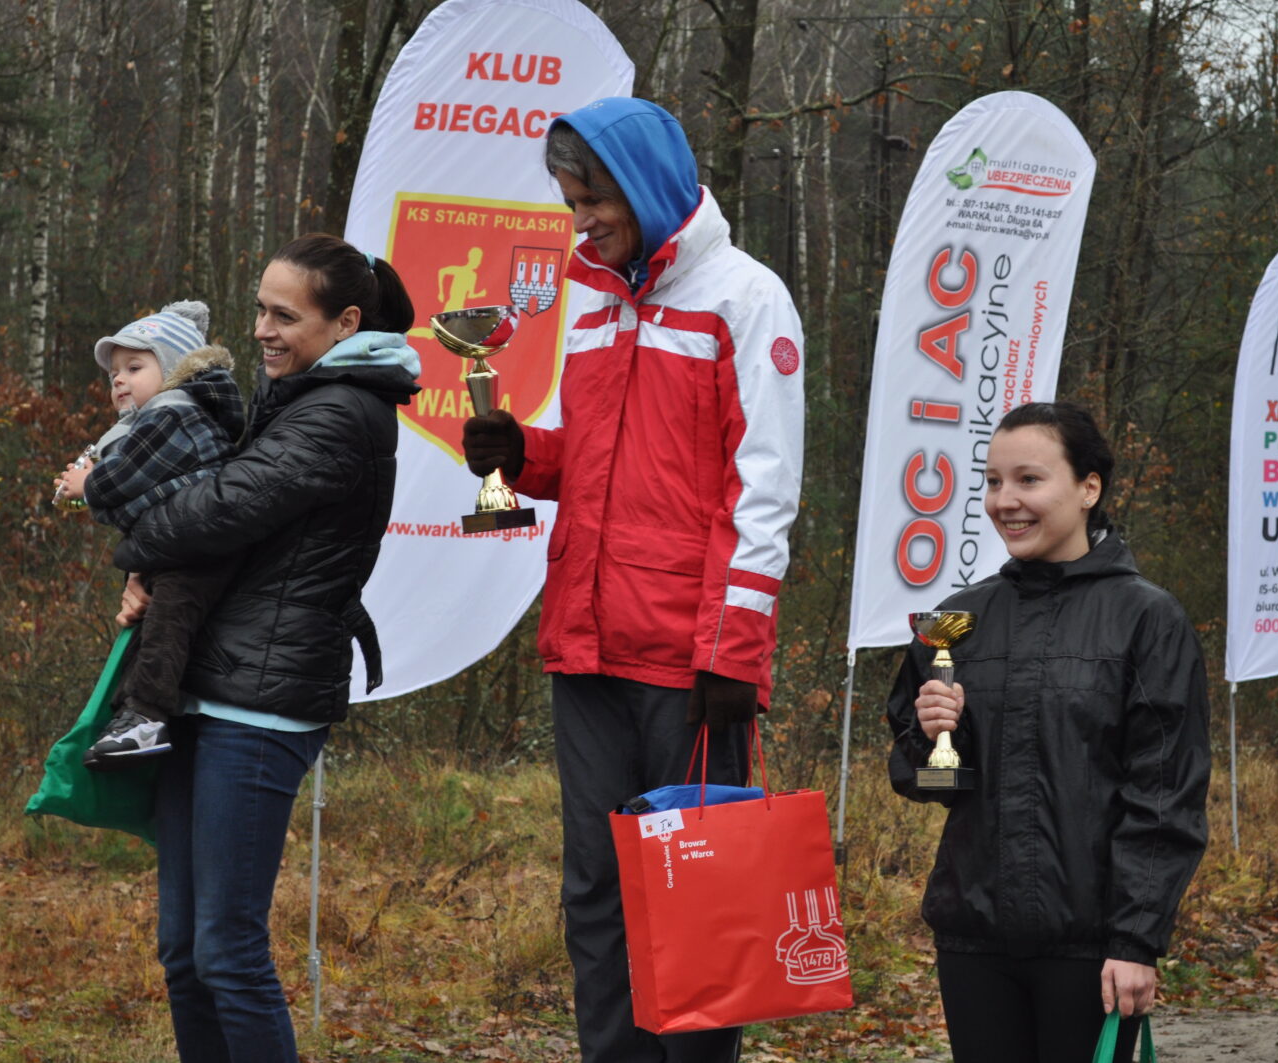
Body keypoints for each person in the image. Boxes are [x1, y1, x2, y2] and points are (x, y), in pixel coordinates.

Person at [462, 98, 805, 1063]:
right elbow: (598, 465)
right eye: (571, 204)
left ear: (646, 186)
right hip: (587, 645)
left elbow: (764, 488)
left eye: (594, 201)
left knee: (695, 891)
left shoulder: (745, 299)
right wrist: (522, 455)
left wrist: (735, 648)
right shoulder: (594, 302)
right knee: (596, 890)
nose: (581, 222)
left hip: (689, 661)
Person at [111, 234, 420, 1062]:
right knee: (184, 952)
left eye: (285, 315)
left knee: (228, 951)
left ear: (345, 322)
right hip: (206, 685)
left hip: (262, 704)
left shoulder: (343, 411)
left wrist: (133, 534)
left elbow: (221, 507)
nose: (261, 330)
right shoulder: (293, 394)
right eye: (259, 309)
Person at [886, 401, 1211, 1063]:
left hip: (1090, 948)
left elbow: (1165, 795)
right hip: (974, 944)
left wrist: (1135, 940)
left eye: (1029, 479)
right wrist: (933, 737)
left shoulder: (1147, 620)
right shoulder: (957, 620)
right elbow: (935, 785)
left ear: (1089, 488)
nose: (1005, 500)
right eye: (993, 481)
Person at [53, 300, 246, 766]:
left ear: (176, 368)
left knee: (167, 624)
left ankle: (145, 717)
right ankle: (131, 718)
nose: (119, 380)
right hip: (177, 545)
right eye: (113, 373)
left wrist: (88, 485)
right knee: (148, 630)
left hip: (200, 550)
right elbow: (132, 497)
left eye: (134, 367)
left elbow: (123, 481)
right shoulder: (154, 419)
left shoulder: (175, 412)